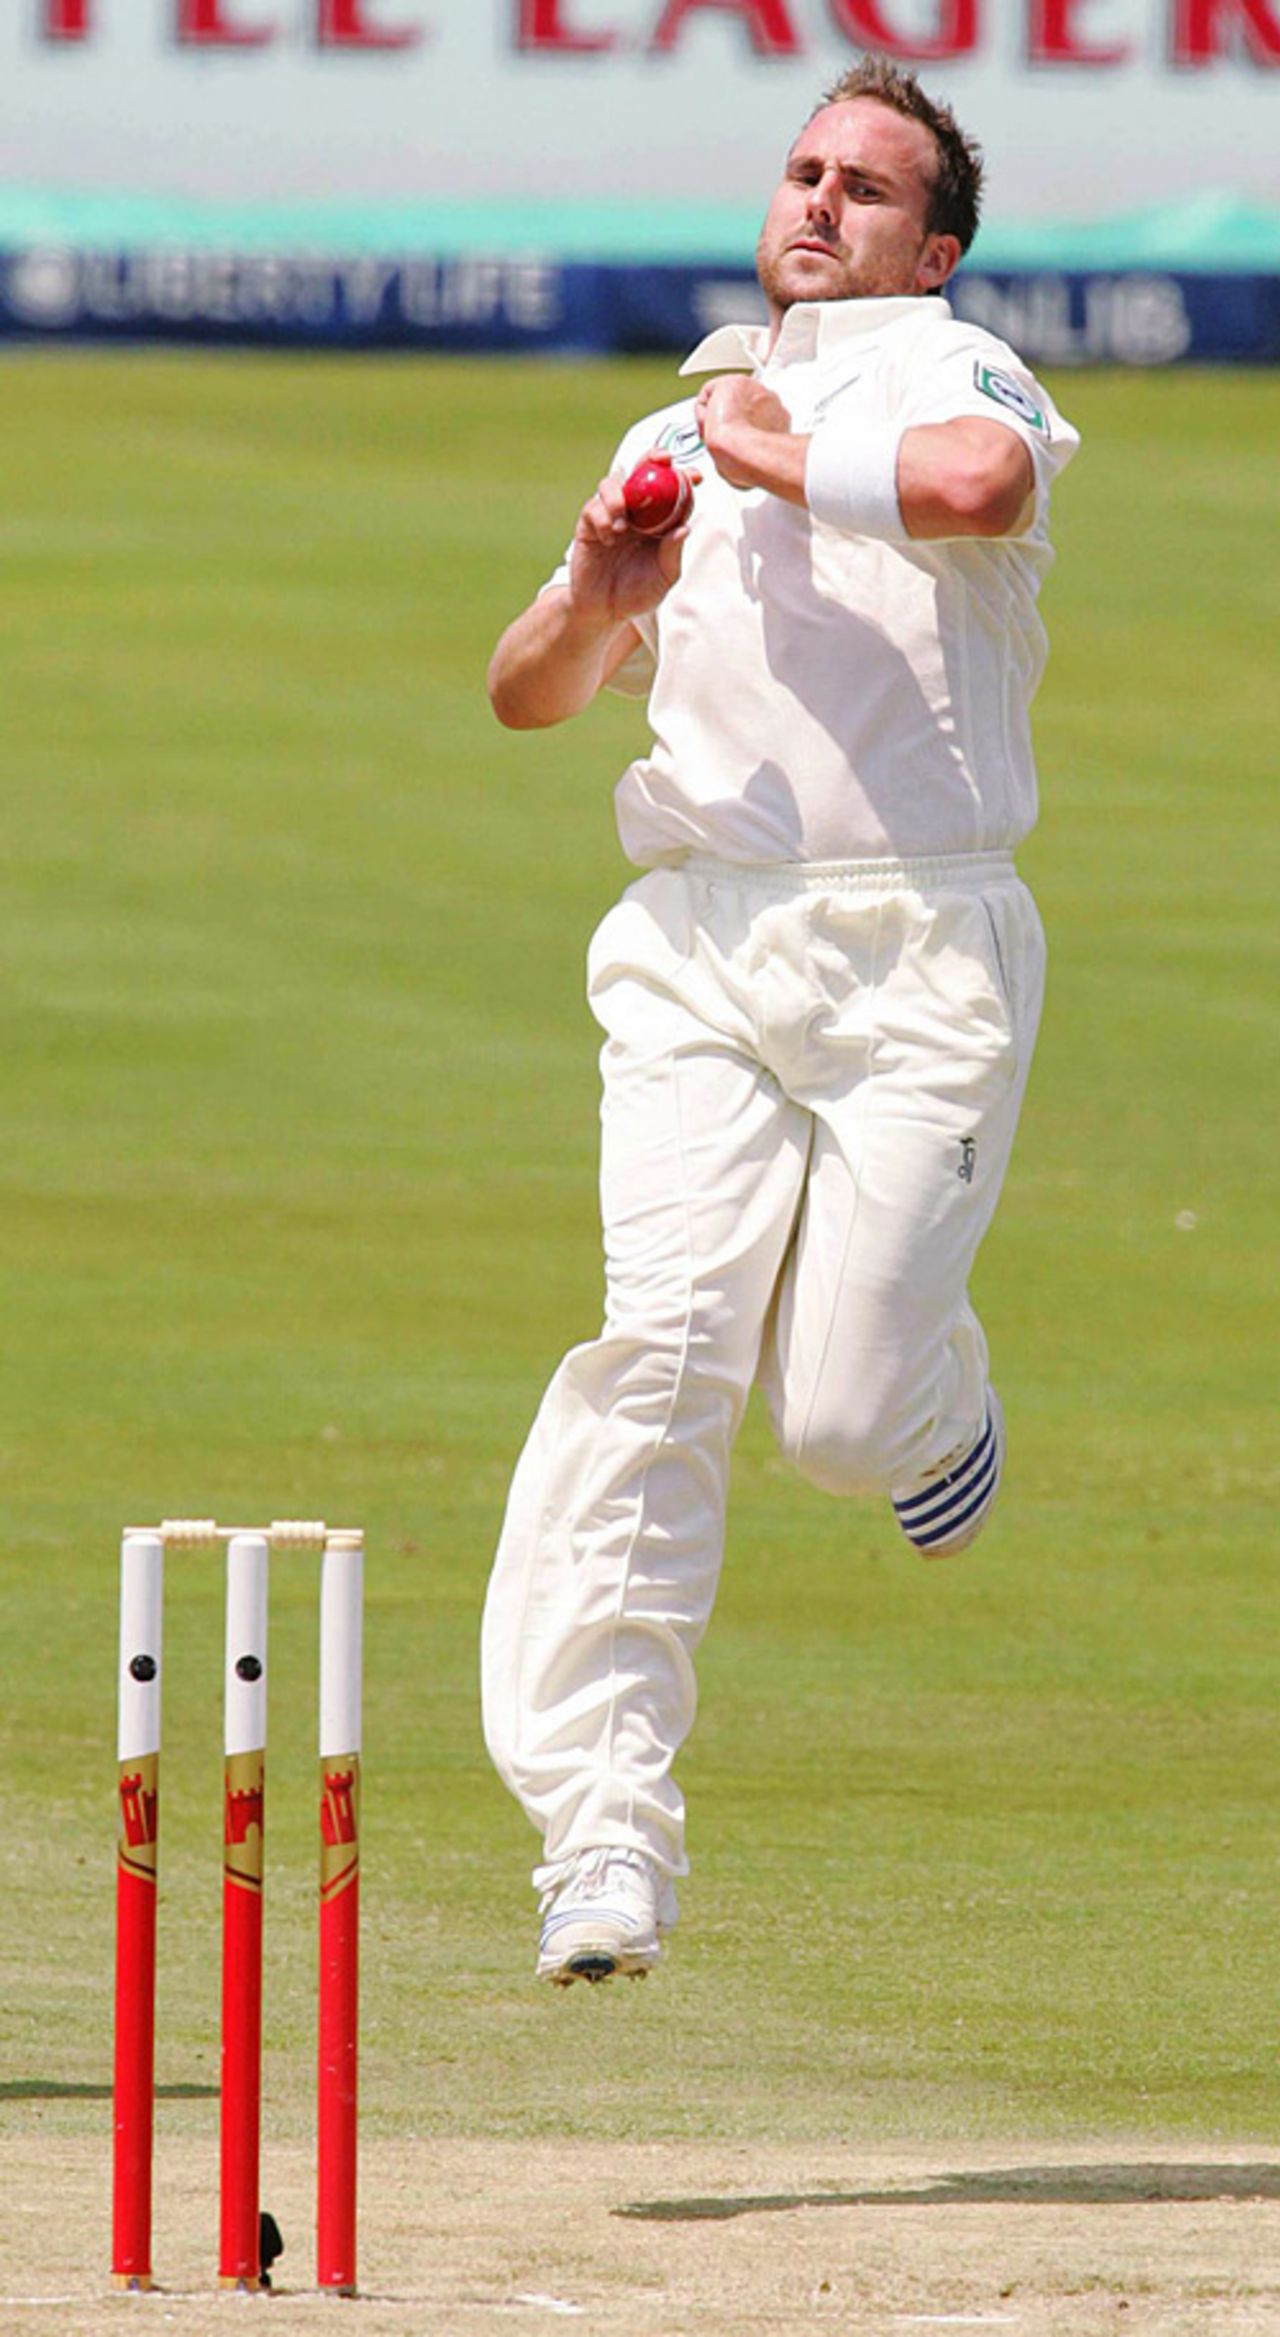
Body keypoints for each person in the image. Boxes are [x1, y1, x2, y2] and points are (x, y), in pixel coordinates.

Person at [481, 55, 1079, 1987]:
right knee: (657, 1352)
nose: (821, 204)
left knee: (830, 1419)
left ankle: (934, 1398)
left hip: (921, 946)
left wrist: (764, 447)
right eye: (803, 172)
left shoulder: (958, 374)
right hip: (698, 943)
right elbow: (525, 693)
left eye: (870, 187)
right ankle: (600, 1829)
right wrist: (594, 590)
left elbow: (974, 492)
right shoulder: (688, 420)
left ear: (937, 245)